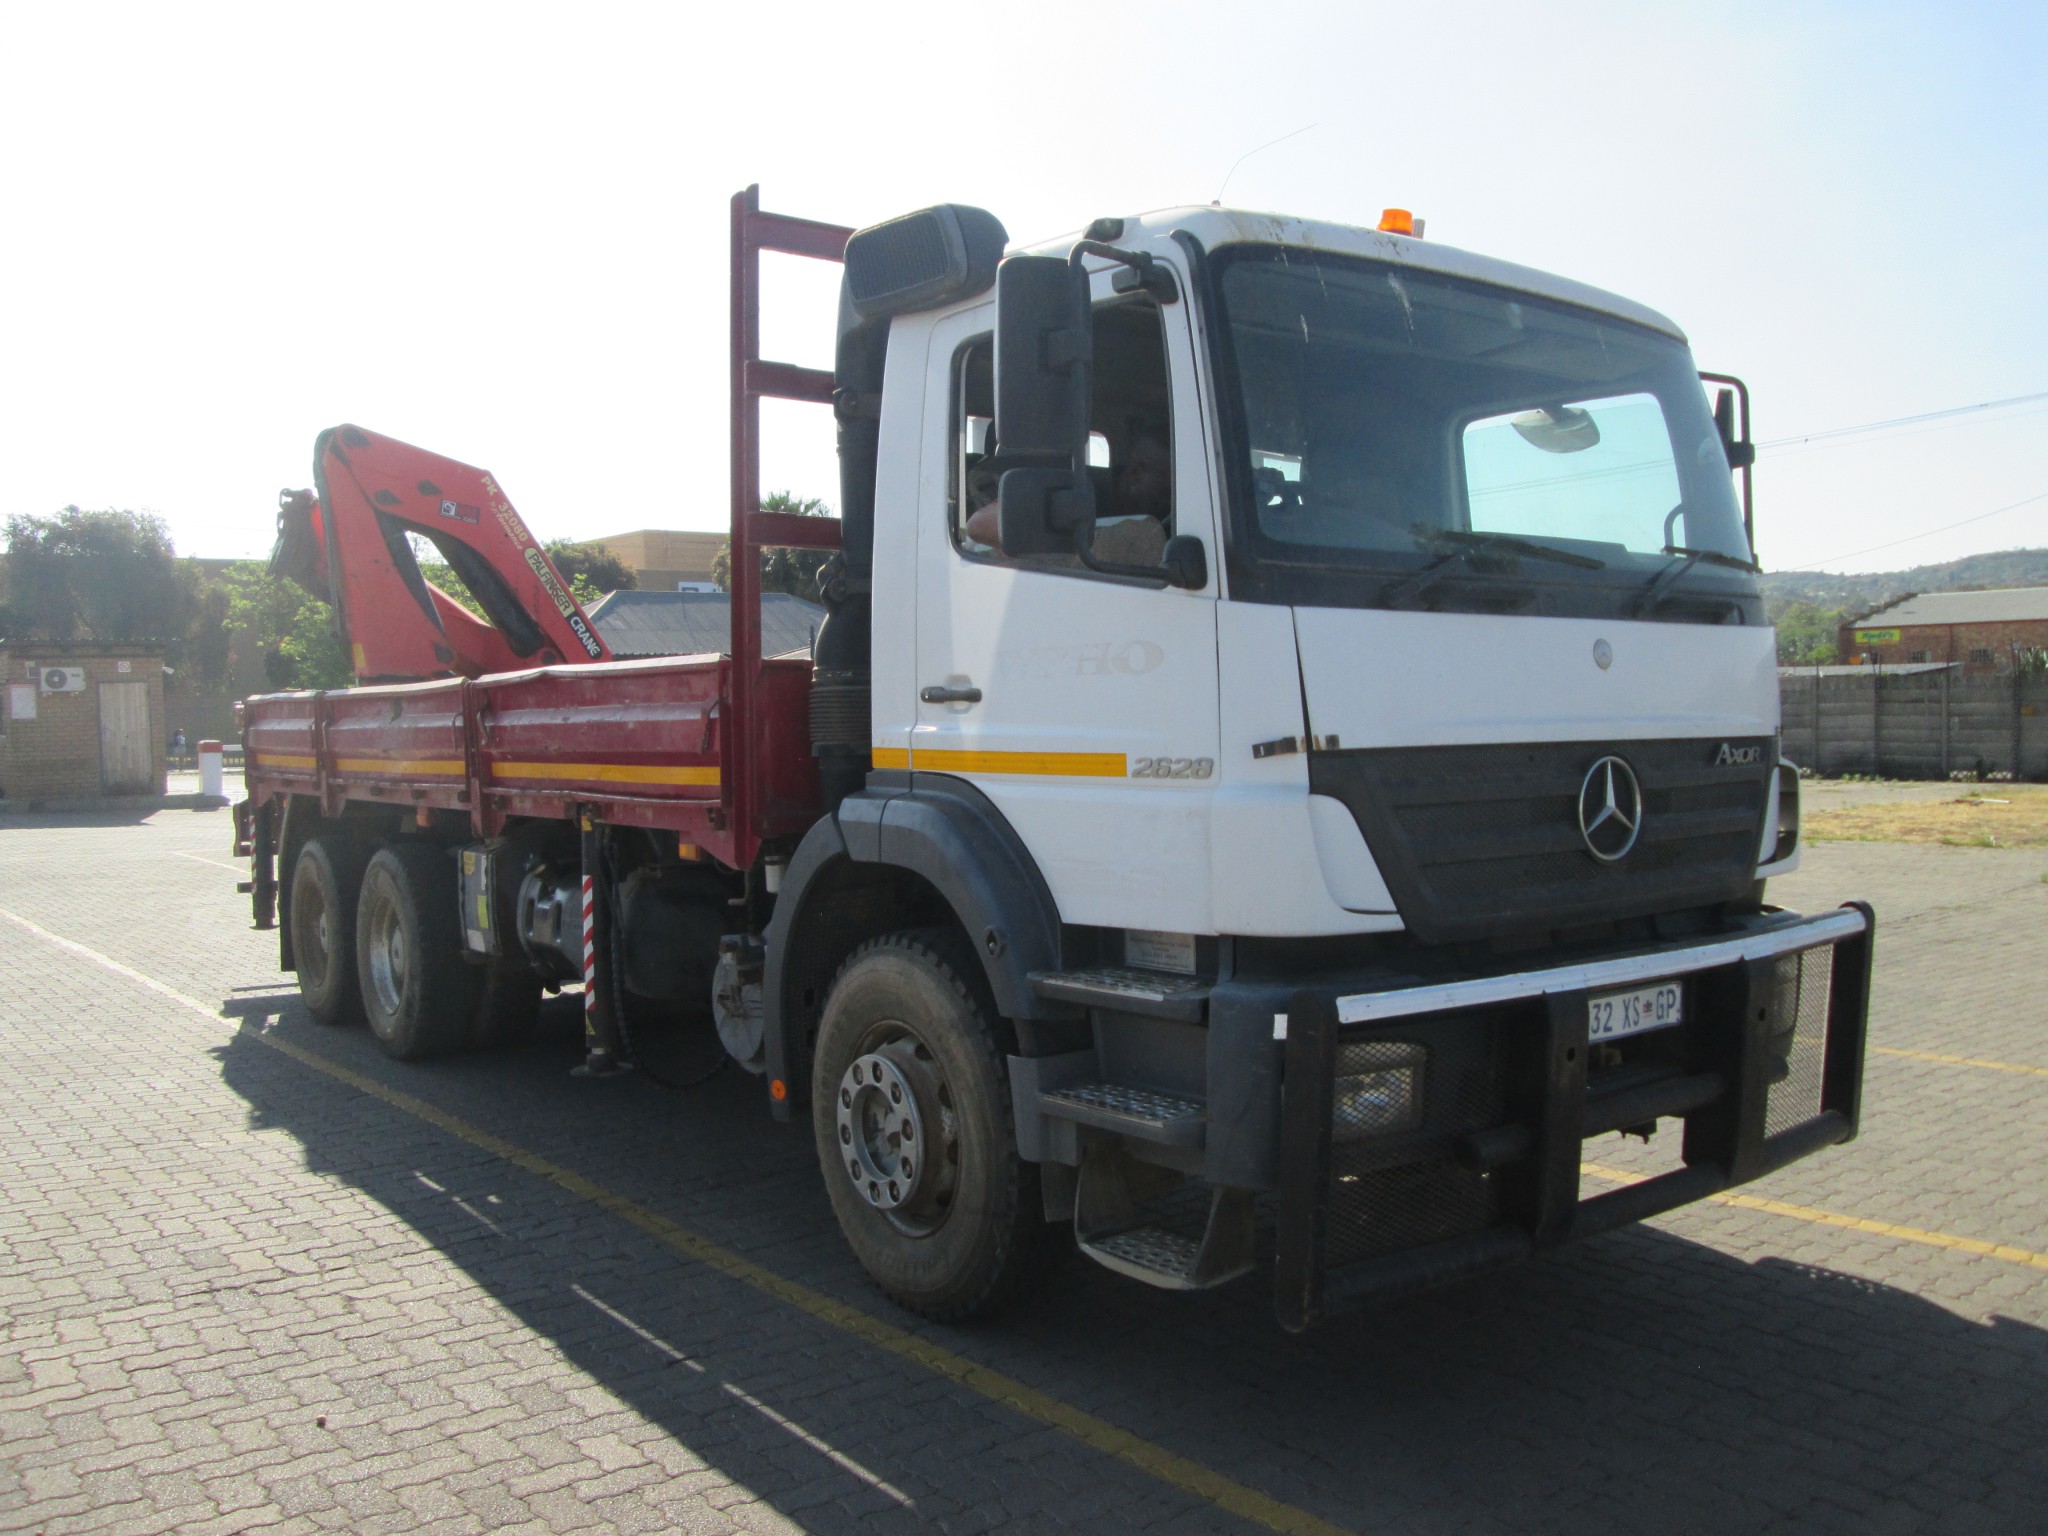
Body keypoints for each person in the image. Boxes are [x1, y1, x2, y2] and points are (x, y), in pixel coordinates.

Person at [964, 429, 1171, 565]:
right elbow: (980, 524)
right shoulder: (1068, 493)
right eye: (1166, 491)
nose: (1169, 503)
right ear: (1136, 473)